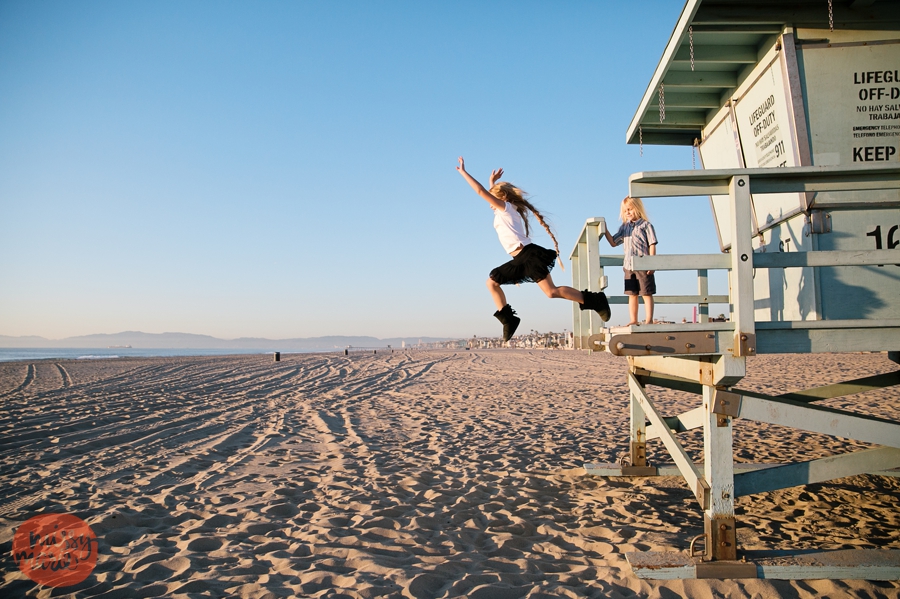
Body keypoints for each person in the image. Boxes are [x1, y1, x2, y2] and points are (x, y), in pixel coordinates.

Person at [456, 157, 610, 341]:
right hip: (520, 258)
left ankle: (594, 300)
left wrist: (464, 173)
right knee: (508, 285)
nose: (489, 203)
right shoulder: (503, 210)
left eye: (493, 197)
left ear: (502, 198)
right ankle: (509, 320)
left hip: (528, 256)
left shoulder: (506, 208)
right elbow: (488, 193)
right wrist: (493, 182)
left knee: (546, 291)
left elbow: (481, 192)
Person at [603, 196, 658, 326]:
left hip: (643, 264)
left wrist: (652, 263)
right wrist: (605, 230)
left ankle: (649, 320)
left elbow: (652, 244)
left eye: (630, 209)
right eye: (625, 210)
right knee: (632, 294)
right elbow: (613, 242)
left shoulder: (646, 226)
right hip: (628, 266)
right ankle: (634, 319)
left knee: (646, 293)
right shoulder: (624, 228)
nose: (627, 212)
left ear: (637, 209)